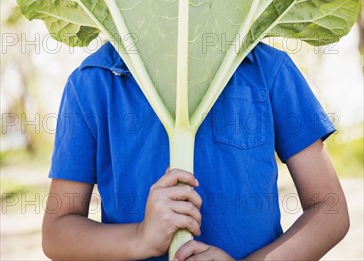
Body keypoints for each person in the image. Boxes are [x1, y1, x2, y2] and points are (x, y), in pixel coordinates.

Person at [42, 40, 349, 260]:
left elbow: (330, 209)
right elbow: (57, 233)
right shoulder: (91, 83)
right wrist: (140, 238)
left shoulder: (269, 69)